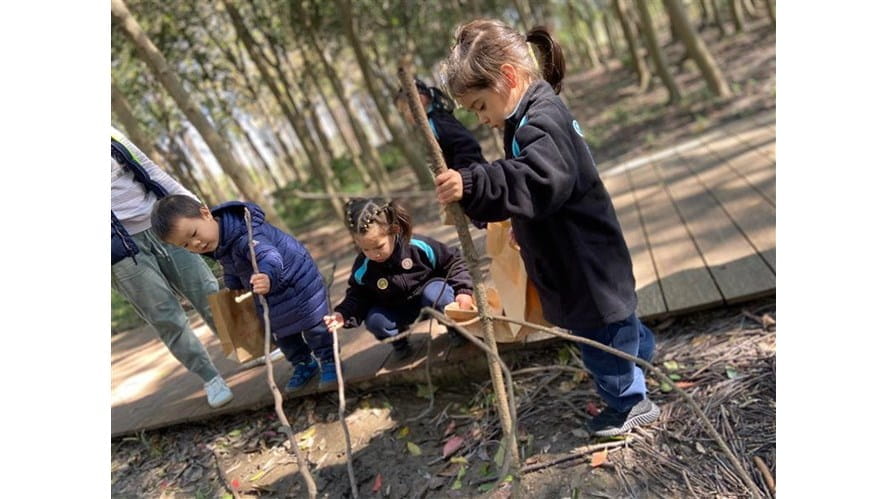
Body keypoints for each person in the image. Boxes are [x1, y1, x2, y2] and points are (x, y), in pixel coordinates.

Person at [434, 19, 659, 437]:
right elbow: (534, 189)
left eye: (481, 105)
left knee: (600, 335)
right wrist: (505, 214)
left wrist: (473, 182)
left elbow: (539, 179)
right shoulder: (525, 118)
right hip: (578, 254)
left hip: (585, 262)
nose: (482, 119)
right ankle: (640, 361)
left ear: (507, 77)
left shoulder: (542, 117)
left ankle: (630, 403)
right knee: (617, 324)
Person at [150, 195, 337, 393]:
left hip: (297, 286)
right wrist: (233, 288)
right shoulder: (221, 245)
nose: (195, 244)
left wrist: (266, 275)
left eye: (194, 233)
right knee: (281, 334)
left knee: (314, 327)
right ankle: (303, 363)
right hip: (268, 294)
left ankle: (329, 360)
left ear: (205, 214)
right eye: (185, 245)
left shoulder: (246, 233)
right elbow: (233, 268)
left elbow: (269, 256)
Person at [111, 127, 233, 408]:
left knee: (208, 289)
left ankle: (247, 347)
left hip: (164, 227)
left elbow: (149, 170)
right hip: (117, 250)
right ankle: (210, 377)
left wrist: (195, 206)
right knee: (164, 315)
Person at [323, 198, 475, 360]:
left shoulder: (418, 246)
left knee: (438, 293)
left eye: (379, 246)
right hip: (396, 308)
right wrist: (343, 314)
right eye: (365, 249)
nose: (374, 254)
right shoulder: (363, 267)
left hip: (430, 297)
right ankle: (400, 341)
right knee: (375, 320)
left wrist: (463, 290)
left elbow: (453, 261)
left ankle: (454, 329)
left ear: (394, 230)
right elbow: (358, 296)